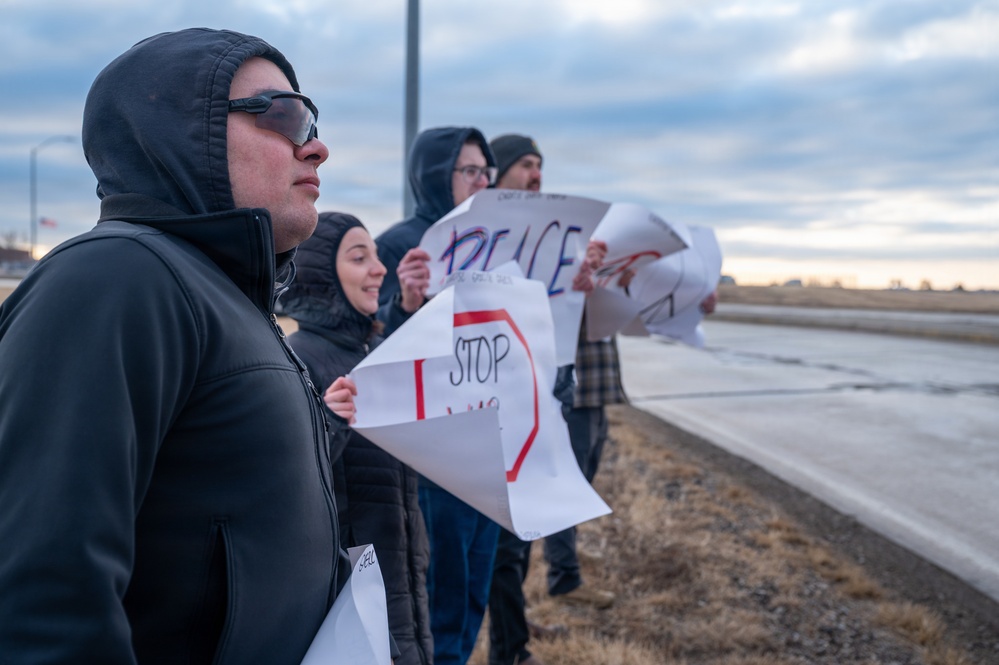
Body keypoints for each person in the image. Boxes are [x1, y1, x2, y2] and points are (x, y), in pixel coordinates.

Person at [0, 29, 347, 663]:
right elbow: (42, 594)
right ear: (186, 133)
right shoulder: (117, 275)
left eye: (313, 121)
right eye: (286, 116)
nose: (316, 146)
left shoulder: (231, 301)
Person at [486, 134, 616, 665]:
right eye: (525, 164)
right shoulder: (488, 234)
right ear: (498, 173)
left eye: (541, 164)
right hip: (498, 405)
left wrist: (583, 282)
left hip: (545, 399)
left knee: (520, 534)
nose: (536, 174)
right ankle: (508, 645)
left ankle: (512, 631)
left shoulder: (552, 239)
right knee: (498, 543)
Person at [282, 212, 433, 665]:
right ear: (323, 274)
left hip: (402, 569)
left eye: (376, 256)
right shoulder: (297, 358)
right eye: (359, 257)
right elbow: (284, 485)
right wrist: (327, 421)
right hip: (349, 589)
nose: (380, 269)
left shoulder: (372, 352)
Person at [376, 126, 499, 665]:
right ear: (435, 174)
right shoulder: (401, 244)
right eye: (469, 170)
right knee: (439, 593)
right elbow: (372, 345)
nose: (482, 182)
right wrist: (405, 304)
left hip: (490, 440)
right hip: (433, 454)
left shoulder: (497, 243)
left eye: (487, 172)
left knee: (474, 589)